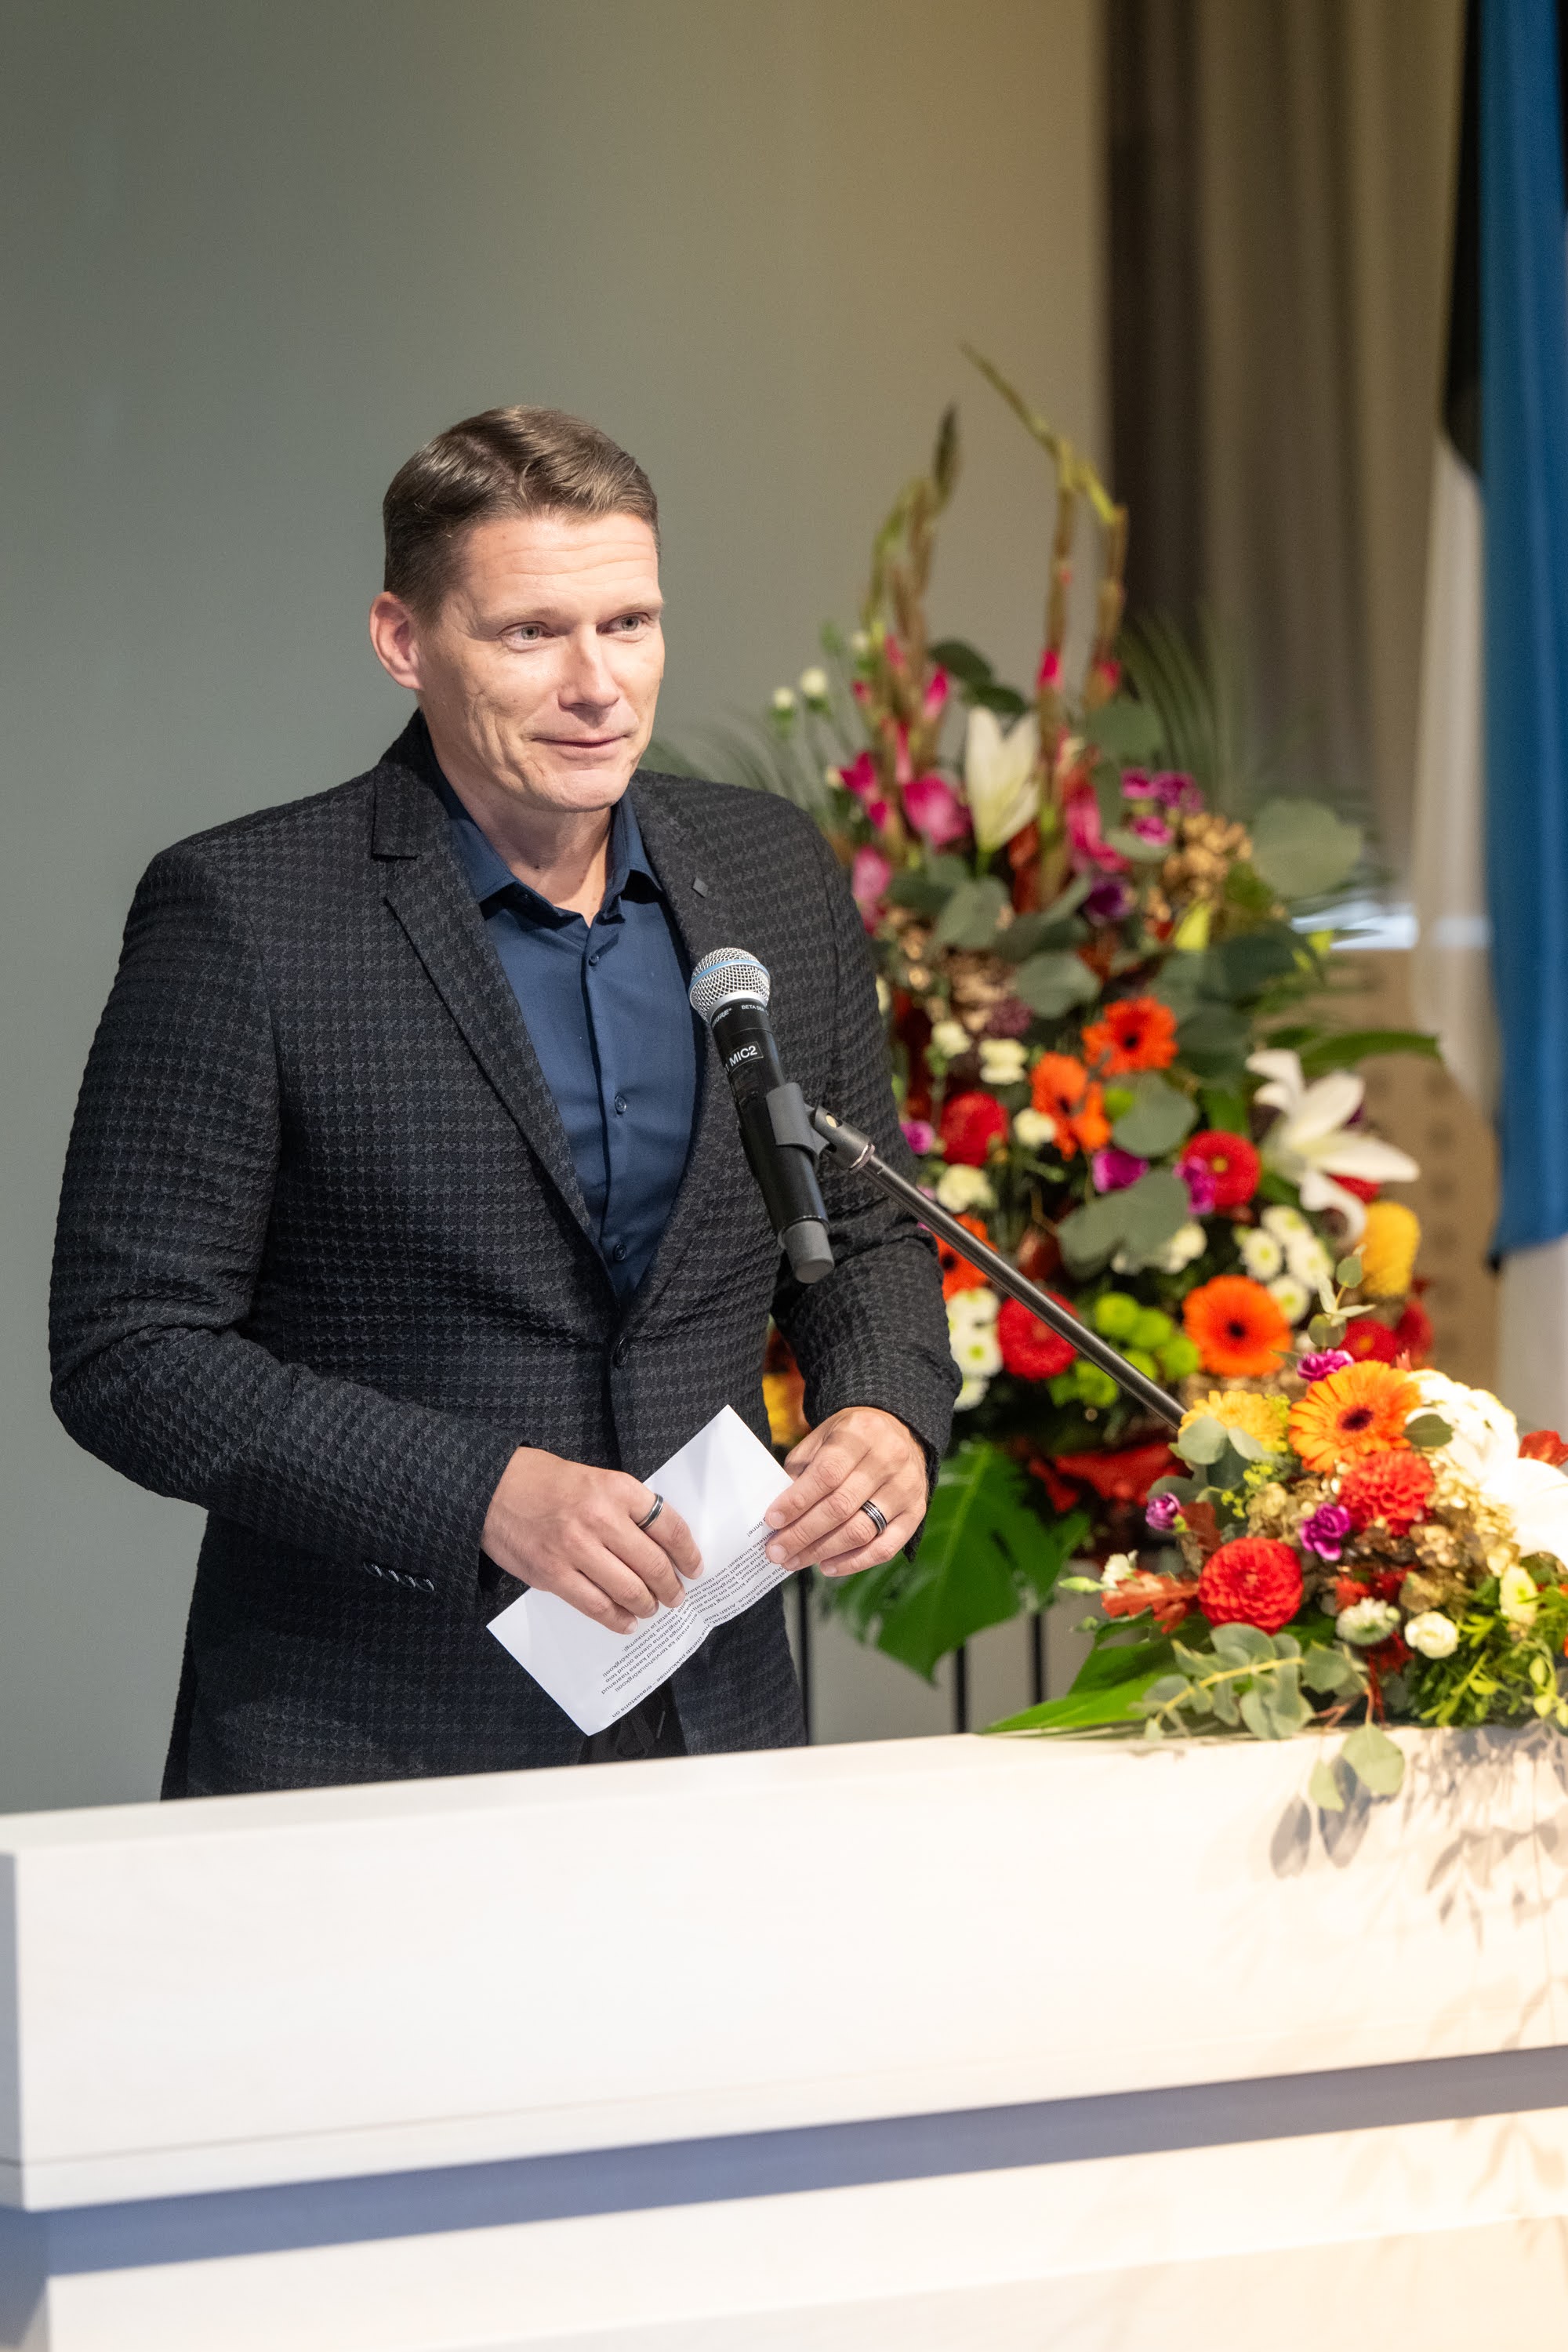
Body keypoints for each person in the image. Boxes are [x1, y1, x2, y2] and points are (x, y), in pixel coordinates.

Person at [49, 405, 956, 1794]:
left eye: (630, 624)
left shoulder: (769, 872)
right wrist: (479, 1496)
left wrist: (883, 1409)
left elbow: (864, 1225)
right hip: (368, 1743)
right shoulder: (246, 912)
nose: (599, 684)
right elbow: (130, 1349)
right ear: (403, 641)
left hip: (714, 1729)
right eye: (533, 632)